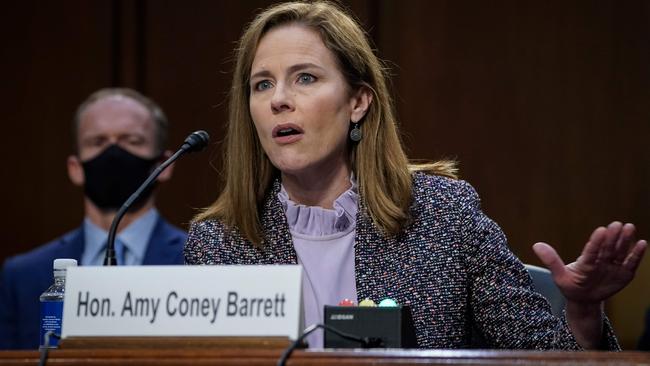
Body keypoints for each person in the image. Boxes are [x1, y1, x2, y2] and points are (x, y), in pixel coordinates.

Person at [184, 1, 647, 349]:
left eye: (305, 78)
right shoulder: (219, 244)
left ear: (358, 103)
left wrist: (584, 312)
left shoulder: (444, 216)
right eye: (262, 84)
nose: (278, 99)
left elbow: (544, 358)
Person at [0, 88, 187, 349]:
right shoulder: (22, 276)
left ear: (163, 166)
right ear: (75, 169)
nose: (113, 153)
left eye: (131, 141)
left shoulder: (200, 262)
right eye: (97, 142)